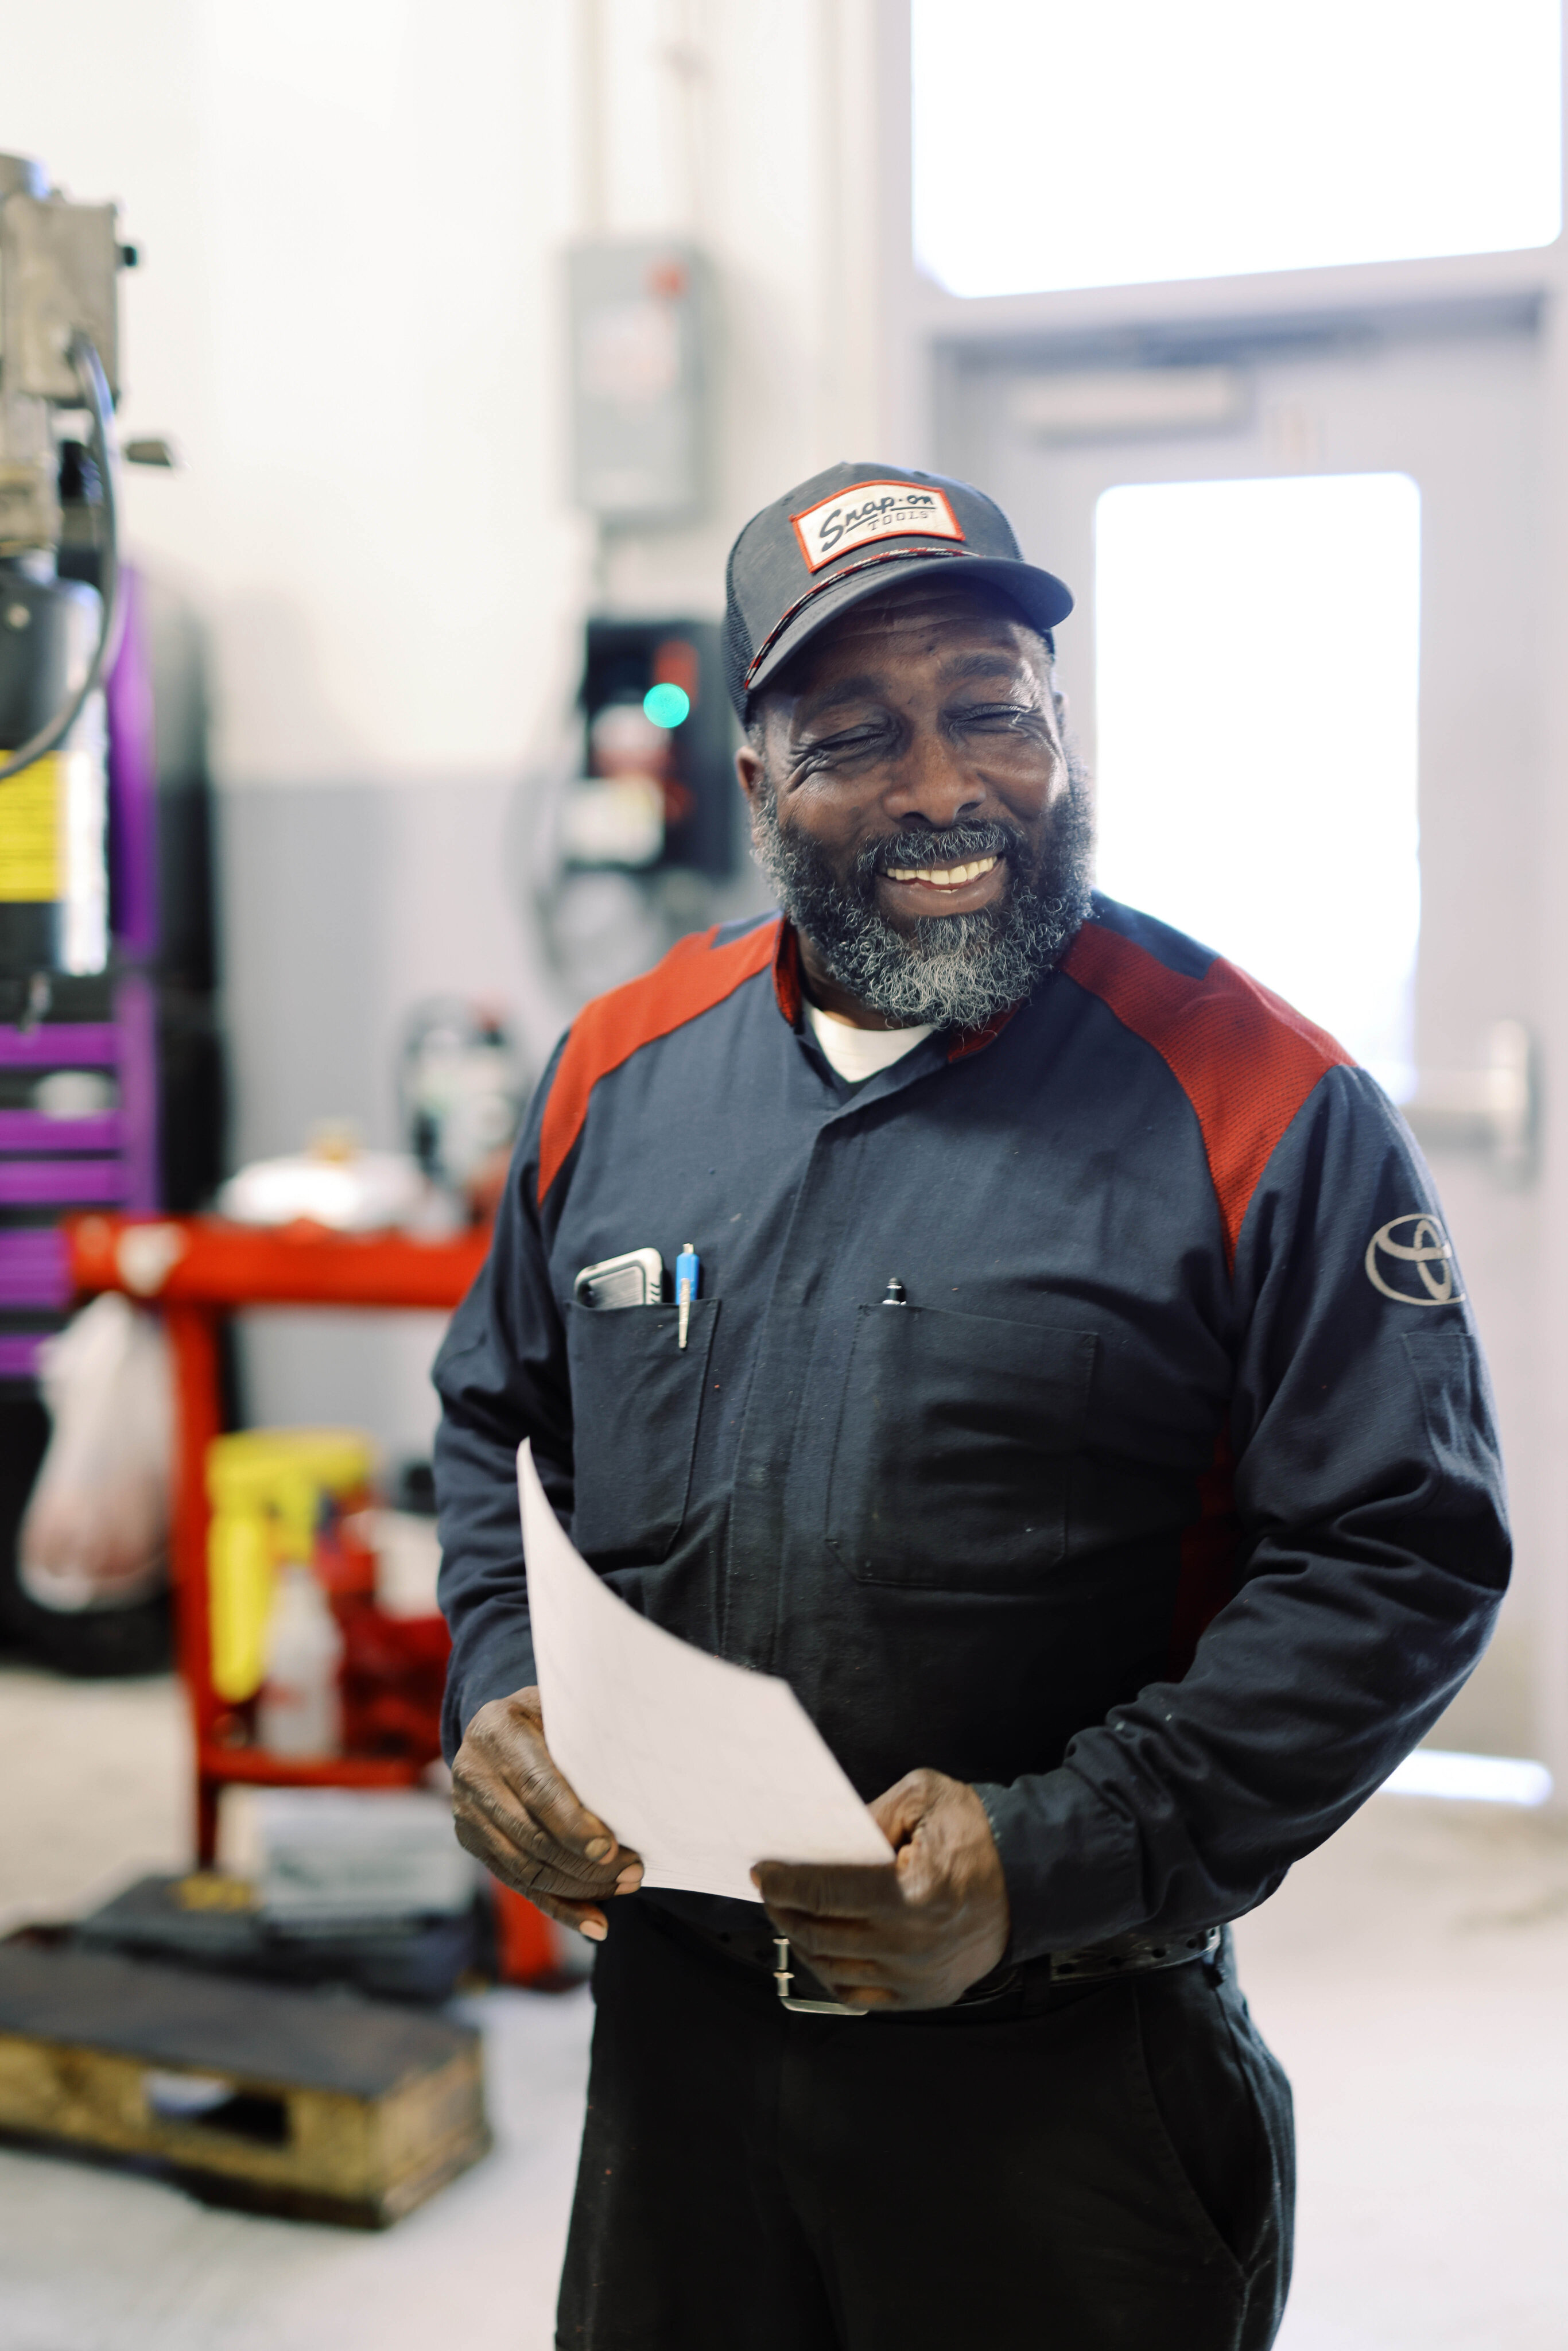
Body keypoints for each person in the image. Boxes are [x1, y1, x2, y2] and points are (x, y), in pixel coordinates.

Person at [433, 461, 1508, 2350]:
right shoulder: (617, 1075)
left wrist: (1048, 1857)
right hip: (679, 2057)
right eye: (856, 733)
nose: (944, 786)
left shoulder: (1262, 1105)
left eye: (994, 712)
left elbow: (1395, 1561)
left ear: (1061, 730)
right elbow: (493, 1434)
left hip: (1061, 2073)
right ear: (756, 782)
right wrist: (498, 1694)